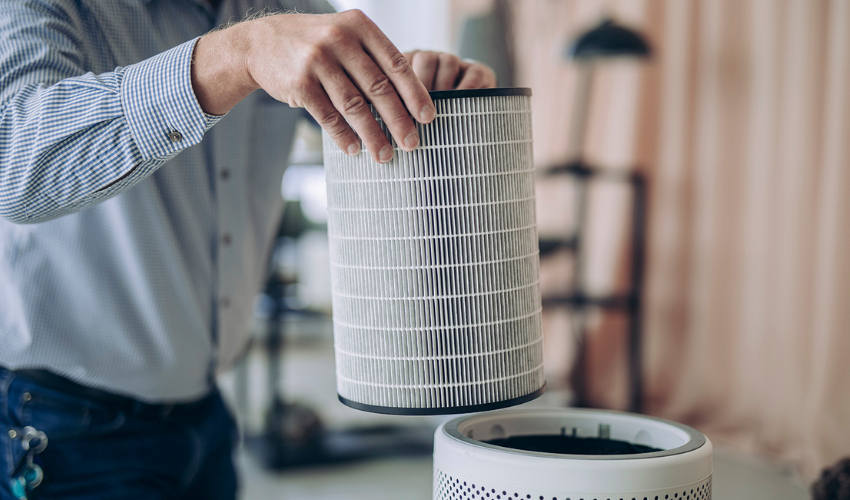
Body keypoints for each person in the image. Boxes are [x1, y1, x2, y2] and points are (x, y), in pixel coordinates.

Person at [0, 1, 497, 499]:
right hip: (60, 425)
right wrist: (237, 56)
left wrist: (406, 88)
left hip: (208, 416)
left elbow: (351, 97)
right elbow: (14, 159)